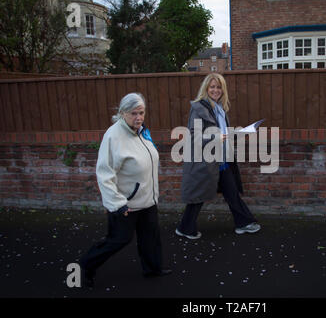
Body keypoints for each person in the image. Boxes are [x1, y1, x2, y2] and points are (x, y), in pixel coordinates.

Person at [80, 92, 171, 287]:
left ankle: (153, 268)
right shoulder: (113, 136)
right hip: (126, 202)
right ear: (122, 113)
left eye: (142, 112)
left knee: (151, 237)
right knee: (118, 240)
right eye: (133, 113)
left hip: (148, 200)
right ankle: (85, 266)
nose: (139, 117)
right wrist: (117, 203)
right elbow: (105, 173)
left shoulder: (142, 131)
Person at [175, 73, 261, 239]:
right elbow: (193, 135)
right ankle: (185, 228)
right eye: (212, 87)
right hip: (205, 161)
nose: (216, 90)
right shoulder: (199, 108)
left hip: (221, 160)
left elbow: (222, 134)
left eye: (219, 87)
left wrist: (239, 133)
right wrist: (214, 137)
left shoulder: (220, 109)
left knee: (232, 192)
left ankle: (243, 223)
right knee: (198, 196)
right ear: (206, 88)